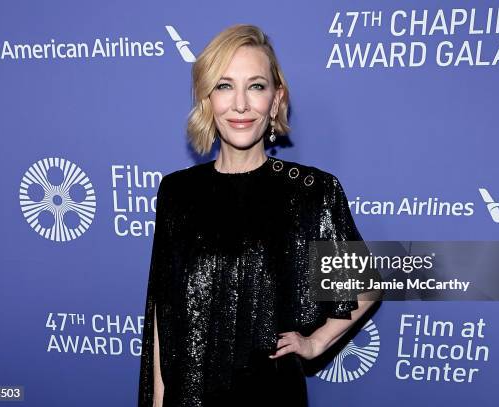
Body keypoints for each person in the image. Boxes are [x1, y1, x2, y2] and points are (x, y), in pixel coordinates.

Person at [138, 24, 382, 407]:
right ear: (207, 98)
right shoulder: (177, 192)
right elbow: (163, 312)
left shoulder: (308, 191)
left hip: (270, 395)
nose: (240, 104)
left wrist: (316, 341)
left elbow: (365, 285)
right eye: (224, 86)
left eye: (255, 86)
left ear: (276, 99)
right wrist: (158, 399)